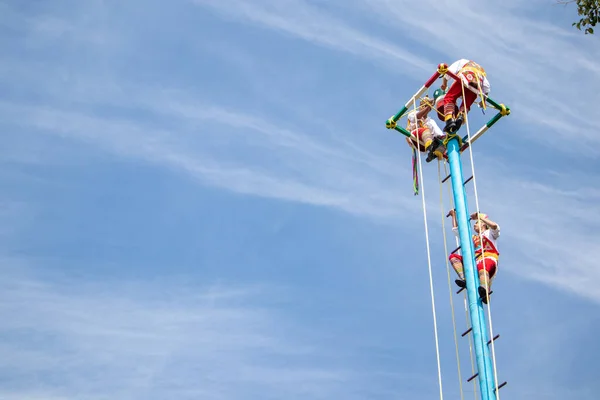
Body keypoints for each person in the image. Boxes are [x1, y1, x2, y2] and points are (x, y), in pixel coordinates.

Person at [446, 209, 500, 304]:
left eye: (477, 223)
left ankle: (484, 290)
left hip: (488, 259)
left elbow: (494, 226)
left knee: (482, 265)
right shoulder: (473, 238)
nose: (474, 225)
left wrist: (479, 216)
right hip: (476, 262)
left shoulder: (490, 233)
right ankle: (464, 278)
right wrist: (454, 216)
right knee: (453, 257)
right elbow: (458, 231)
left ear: (483, 224)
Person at [440, 59, 490, 134]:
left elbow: (449, 71)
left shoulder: (463, 61)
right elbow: (486, 87)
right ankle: (461, 116)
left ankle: (449, 120)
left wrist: (444, 84)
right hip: (476, 87)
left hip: (464, 80)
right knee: (466, 105)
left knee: (449, 98)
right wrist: (483, 101)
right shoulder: (481, 70)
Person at [404, 95, 446, 162]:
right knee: (425, 131)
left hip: (424, 146)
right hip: (415, 138)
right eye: (422, 105)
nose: (423, 107)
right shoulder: (413, 113)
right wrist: (429, 106)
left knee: (443, 140)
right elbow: (418, 116)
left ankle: (435, 153)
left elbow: (437, 133)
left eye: (425, 105)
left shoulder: (430, 121)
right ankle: (431, 147)